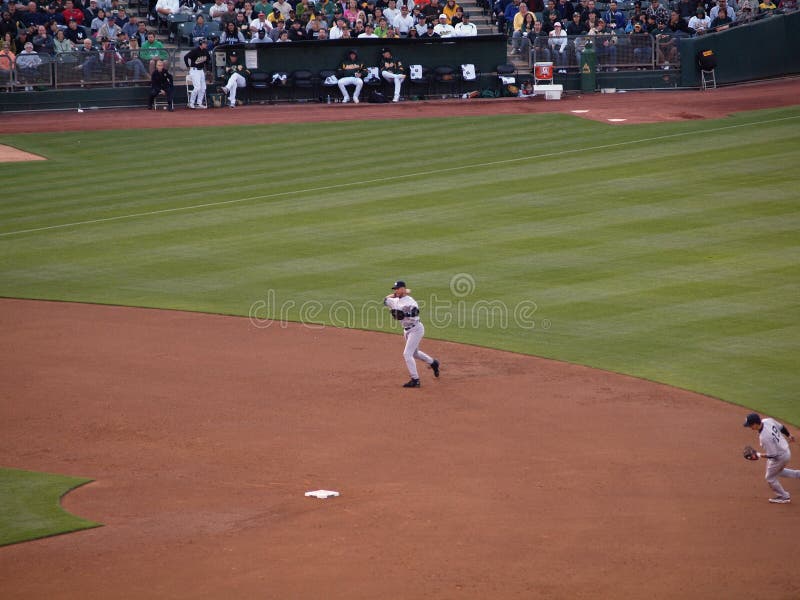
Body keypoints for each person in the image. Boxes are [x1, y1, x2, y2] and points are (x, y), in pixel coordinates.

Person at [384, 280, 440, 388]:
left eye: (397, 288)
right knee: (415, 353)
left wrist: (405, 314)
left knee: (407, 354)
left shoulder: (411, 301)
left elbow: (416, 312)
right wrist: (396, 294)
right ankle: (433, 363)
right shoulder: (394, 300)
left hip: (416, 329)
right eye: (394, 289)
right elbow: (385, 300)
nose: (395, 290)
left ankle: (415, 380)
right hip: (406, 331)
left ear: (403, 289)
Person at [743, 412, 800, 504]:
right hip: (786, 451)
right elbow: (781, 427)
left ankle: (784, 496)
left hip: (780, 457)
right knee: (778, 471)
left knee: (770, 478)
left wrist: (758, 455)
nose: (750, 427)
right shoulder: (768, 420)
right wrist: (789, 435)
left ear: (755, 424)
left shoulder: (764, 437)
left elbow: (773, 454)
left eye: (750, 425)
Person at [184, 37, 211, 108]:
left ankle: (199, 103)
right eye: (204, 43)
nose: (206, 44)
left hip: (201, 70)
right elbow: (185, 57)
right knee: (197, 87)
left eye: (206, 43)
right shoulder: (195, 50)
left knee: (203, 88)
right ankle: (191, 103)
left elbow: (208, 61)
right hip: (194, 70)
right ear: (201, 44)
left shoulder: (206, 51)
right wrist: (187, 66)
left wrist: (208, 70)